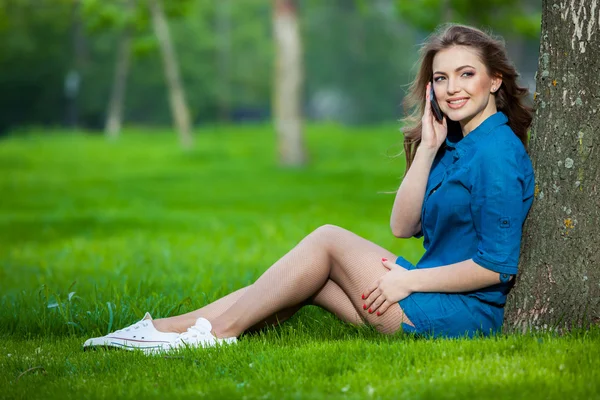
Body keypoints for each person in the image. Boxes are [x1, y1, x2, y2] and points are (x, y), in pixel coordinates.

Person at [83, 23, 535, 354]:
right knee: (302, 280)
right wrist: (429, 148)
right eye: (441, 78)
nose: (451, 89)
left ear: (494, 80)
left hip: (458, 315)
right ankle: (164, 332)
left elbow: (496, 267)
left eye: (465, 74)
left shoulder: (496, 152)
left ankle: (214, 336)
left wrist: (407, 280)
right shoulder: (457, 143)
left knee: (327, 239)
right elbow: (402, 225)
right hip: (425, 291)